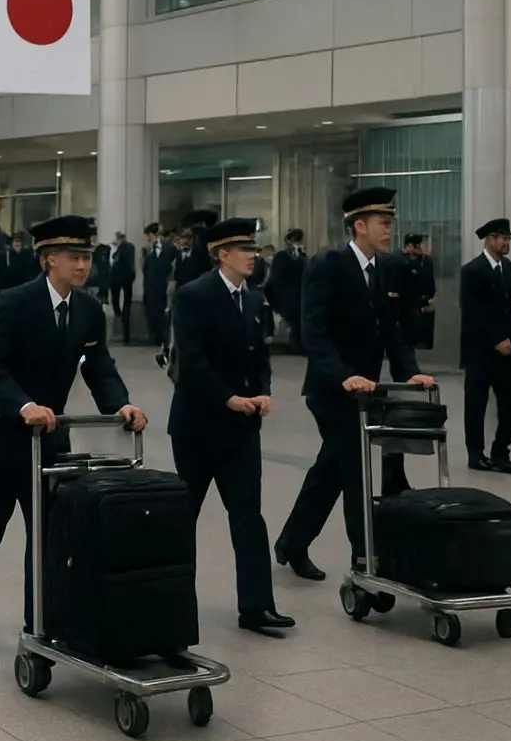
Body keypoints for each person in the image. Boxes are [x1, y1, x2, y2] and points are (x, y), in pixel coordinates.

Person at [0, 215, 144, 641]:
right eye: (74, 257)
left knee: (48, 535)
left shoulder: (88, 310)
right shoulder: (14, 302)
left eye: (87, 257)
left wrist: (120, 403)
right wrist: (24, 404)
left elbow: (98, 365)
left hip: (49, 441)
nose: (83, 266)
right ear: (48, 260)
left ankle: (40, 624)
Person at [273, 188, 434, 581]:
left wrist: (408, 370)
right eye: (382, 223)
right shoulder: (328, 264)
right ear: (359, 225)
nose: (388, 231)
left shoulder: (386, 268)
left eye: (390, 223)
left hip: (367, 391)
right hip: (331, 391)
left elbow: (392, 331)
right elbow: (314, 332)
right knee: (355, 470)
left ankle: (292, 543)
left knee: (331, 469)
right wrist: (342, 374)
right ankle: (366, 561)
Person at [168, 218, 293, 634]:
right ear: (221, 254)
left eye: (254, 249)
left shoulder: (255, 300)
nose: (252, 256)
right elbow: (193, 361)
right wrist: (227, 398)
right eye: (243, 250)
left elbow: (261, 358)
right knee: (185, 518)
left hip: (243, 428)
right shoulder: (193, 296)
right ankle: (173, 606)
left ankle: (256, 607)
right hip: (199, 427)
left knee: (248, 516)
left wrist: (262, 392)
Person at [461, 218, 511, 474]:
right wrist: (496, 339)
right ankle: (476, 454)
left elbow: (510, 307)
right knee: (476, 405)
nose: (506, 242)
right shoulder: (473, 271)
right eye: (502, 238)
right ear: (489, 239)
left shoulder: (506, 267)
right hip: (481, 350)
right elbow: (473, 312)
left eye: (508, 238)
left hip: (510, 350)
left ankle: (501, 452)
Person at [142, 224, 172, 352]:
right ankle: (155, 336)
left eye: (149, 236)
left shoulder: (169, 249)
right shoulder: (147, 250)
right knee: (152, 311)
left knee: (163, 312)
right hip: (151, 287)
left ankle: (163, 337)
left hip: (164, 286)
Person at [110, 230, 137, 344]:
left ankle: (118, 315)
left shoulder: (119, 249)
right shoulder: (131, 247)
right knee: (127, 304)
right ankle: (126, 336)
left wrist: (115, 249)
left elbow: (116, 259)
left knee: (116, 302)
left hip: (117, 279)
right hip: (128, 279)